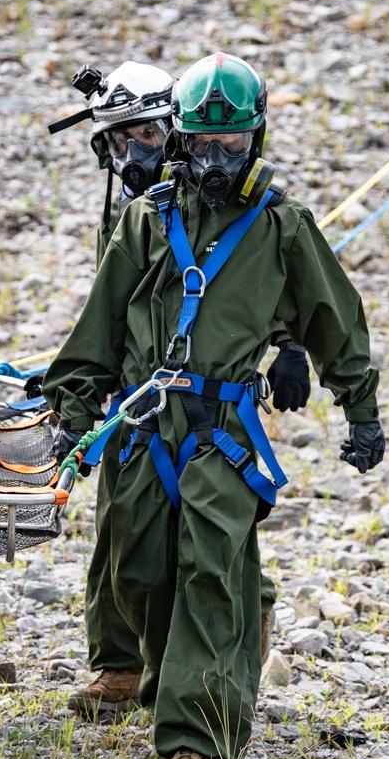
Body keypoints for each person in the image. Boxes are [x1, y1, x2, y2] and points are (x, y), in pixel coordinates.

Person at [44, 53, 384, 759]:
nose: (217, 160)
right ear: (181, 140)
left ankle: (198, 740)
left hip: (220, 427)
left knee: (210, 571)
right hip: (141, 425)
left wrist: (360, 407)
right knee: (136, 570)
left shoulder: (282, 226)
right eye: (203, 145)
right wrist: (70, 416)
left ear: (255, 140)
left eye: (232, 147)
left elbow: (334, 318)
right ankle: (170, 677)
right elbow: (96, 332)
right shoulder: (145, 220)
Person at [50, 61, 311, 721]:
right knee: (126, 528)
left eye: (140, 133)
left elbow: (249, 289)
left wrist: (294, 345)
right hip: (139, 391)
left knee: (210, 541)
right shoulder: (132, 207)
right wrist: (82, 379)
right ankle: (122, 660)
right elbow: (114, 303)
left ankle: (220, 659)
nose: (128, 151)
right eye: (115, 139)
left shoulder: (213, 197)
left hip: (207, 401)